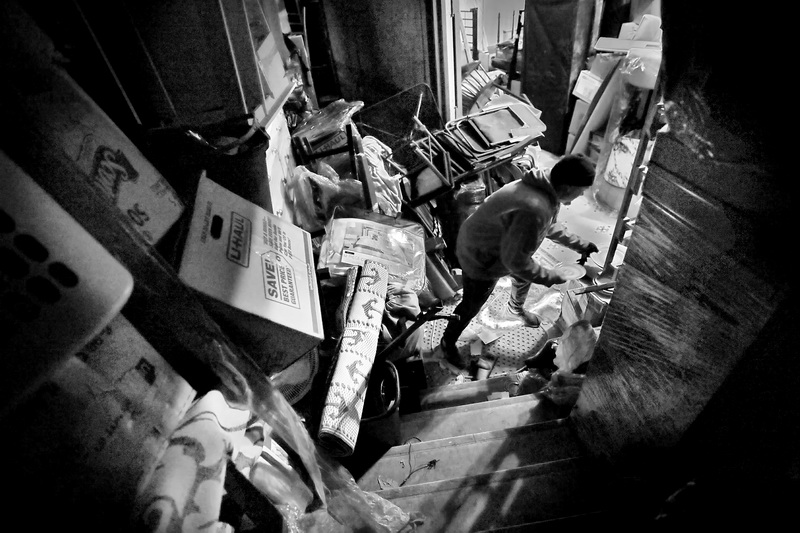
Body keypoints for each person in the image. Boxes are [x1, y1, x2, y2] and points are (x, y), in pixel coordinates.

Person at [438, 153, 599, 371]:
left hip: (495, 240)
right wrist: (552, 276)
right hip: (481, 255)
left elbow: (548, 226)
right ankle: (447, 343)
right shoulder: (534, 207)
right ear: (569, 187)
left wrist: (579, 243)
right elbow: (515, 261)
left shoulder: (544, 187)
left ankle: (515, 308)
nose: (579, 196)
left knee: (524, 277)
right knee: (471, 304)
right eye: (581, 192)